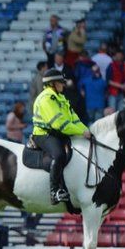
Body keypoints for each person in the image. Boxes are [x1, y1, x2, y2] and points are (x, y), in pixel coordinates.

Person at [31, 69, 91, 204]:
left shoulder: (61, 98)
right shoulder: (46, 99)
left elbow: (74, 119)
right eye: (61, 82)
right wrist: (81, 132)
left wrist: (87, 131)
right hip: (44, 134)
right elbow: (59, 124)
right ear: (52, 84)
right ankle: (54, 191)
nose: (63, 85)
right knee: (59, 155)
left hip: (59, 134)